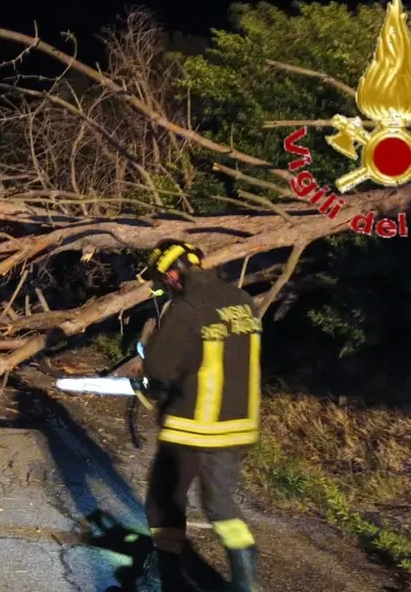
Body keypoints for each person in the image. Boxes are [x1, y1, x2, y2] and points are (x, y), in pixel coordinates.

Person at [137, 240, 264, 592]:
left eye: (162, 282)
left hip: (192, 425)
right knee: (220, 502)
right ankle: (246, 578)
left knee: (164, 499)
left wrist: (151, 385)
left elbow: (160, 366)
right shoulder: (241, 301)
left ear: (172, 275)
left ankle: (166, 577)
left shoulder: (186, 308)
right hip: (236, 422)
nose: (163, 288)